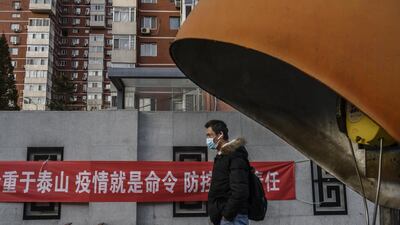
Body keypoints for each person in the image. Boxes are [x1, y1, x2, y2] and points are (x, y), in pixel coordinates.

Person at [205, 120, 250, 225]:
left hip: (233, 218)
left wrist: (227, 215)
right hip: (223, 217)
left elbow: (240, 190)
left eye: (209, 135)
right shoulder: (222, 156)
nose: (207, 139)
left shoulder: (235, 156)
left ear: (220, 134)